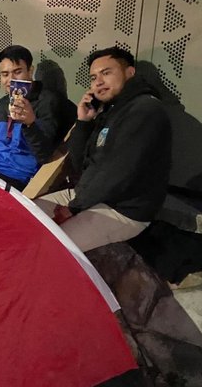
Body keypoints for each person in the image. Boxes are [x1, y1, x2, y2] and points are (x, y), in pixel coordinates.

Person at [35, 47, 171, 252]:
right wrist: (83, 122)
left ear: (129, 72)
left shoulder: (144, 111)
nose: (98, 81)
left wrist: (74, 208)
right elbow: (81, 164)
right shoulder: (112, 110)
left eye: (106, 73)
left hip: (123, 210)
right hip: (89, 195)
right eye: (93, 77)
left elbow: (116, 173)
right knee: (26, 214)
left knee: (53, 247)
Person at [0, 45, 71, 190]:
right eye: (5, 74)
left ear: (30, 71)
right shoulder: (2, 104)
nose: (11, 80)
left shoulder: (48, 102)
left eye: (17, 72)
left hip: (20, 180)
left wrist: (30, 124)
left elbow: (44, 155)